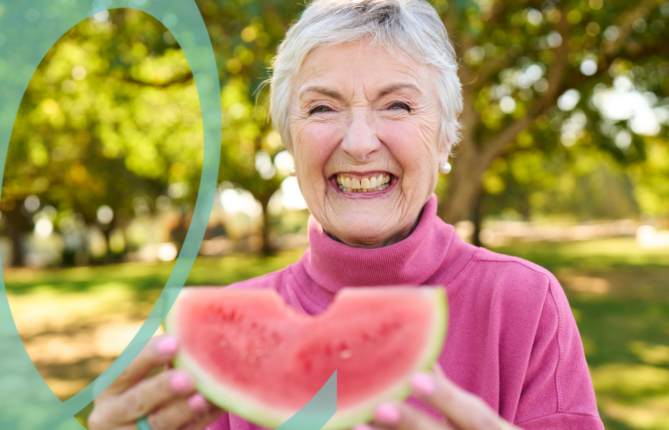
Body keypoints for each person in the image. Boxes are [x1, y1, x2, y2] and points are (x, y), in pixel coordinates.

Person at [88, 0, 606, 429]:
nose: (359, 144)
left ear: (446, 136)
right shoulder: (225, 335)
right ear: (289, 141)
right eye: (321, 108)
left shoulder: (524, 303)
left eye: (398, 106)